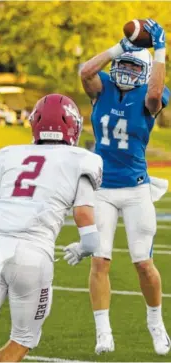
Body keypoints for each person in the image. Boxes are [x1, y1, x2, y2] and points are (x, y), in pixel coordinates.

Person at [0, 94, 103, 362]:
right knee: (22, 340)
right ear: (73, 127)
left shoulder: (13, 156)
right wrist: (81, 249)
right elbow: (88, 231)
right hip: (33, 255)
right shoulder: (81, 160)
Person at [64, 19, 170, 356]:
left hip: (137, 189)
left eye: (129, 65)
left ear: (142, 71)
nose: (123, 70)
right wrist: (119, 48)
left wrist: (160, 49)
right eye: (119, 65)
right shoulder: (103, 87)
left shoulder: (151, 95)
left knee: (143, 263)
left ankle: (156, 322)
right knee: (100, 262)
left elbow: (155, 92)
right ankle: (103, 332)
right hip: (102, 189)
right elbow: (84, 71)